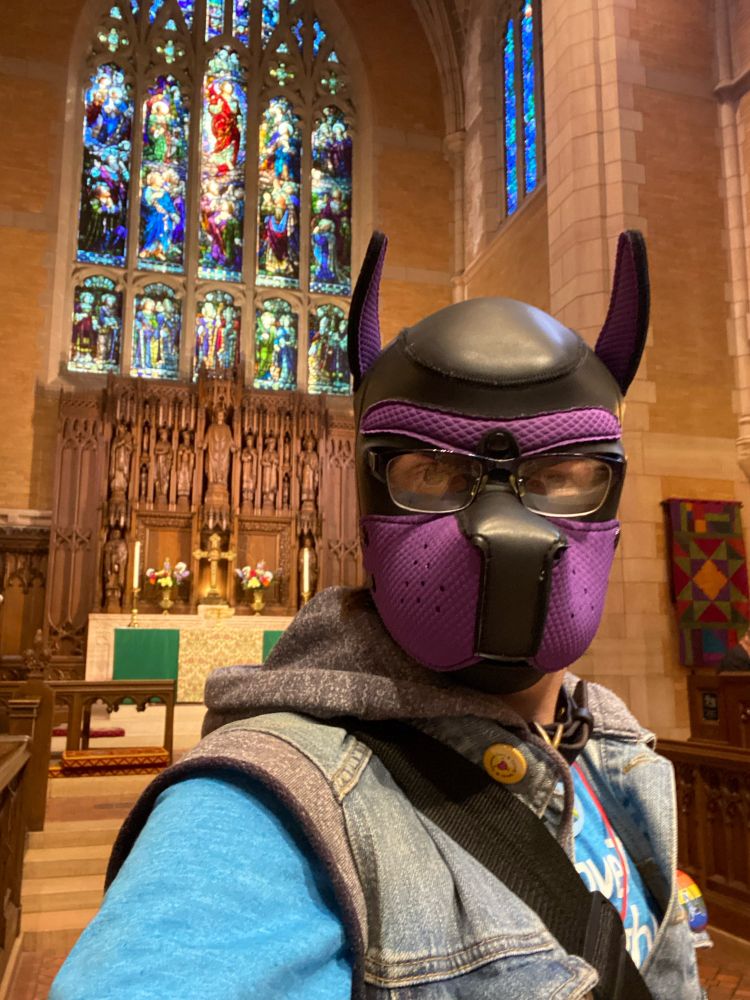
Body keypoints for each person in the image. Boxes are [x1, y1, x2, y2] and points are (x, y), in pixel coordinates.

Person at [51, 232, 703, 1000]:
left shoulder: (609, 750)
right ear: (366, 498)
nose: (501, 529)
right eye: (433, 471)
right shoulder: (269, 812)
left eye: (561, 475)